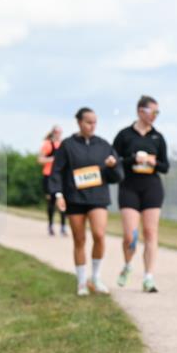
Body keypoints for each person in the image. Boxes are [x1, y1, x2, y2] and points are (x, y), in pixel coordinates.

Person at [48, 107, 123, 296]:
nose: (92, 126)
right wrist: (58, 194)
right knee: (79, 239)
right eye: (88, 122)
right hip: (75, 198)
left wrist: (113, 167)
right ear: (79, 122)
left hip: (98, 197)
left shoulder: (104, 145)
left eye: (95, 122)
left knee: (99, 234)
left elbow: (117, 176)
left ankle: (95, 277)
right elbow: (56, 171)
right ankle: (82, 282)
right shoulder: (68, 145)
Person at [113, 95, 169, 293]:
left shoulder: (158, 137)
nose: (155, 116)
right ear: (140, 111)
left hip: (152, 187)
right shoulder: (124, 135)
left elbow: (165, 166)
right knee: (131, 235)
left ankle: (148, 277)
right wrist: (132, 159)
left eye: (157, 112)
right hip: (129, 187)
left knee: (150, 233)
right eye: (152, 111)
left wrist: (153, 162)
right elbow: (115, 160)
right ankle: (128, 265)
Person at [38, 126, 66, 235]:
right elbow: (40, 159)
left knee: (63, 201)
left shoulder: (64, 145)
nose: (59, 134)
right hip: (49, 176)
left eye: (60, 132)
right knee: (51, 202)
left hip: (61, 177)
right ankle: (50, 225)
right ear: (53, 133)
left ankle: (63, 226)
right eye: (57, 132)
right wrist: (52, 159)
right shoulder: (47, 144)